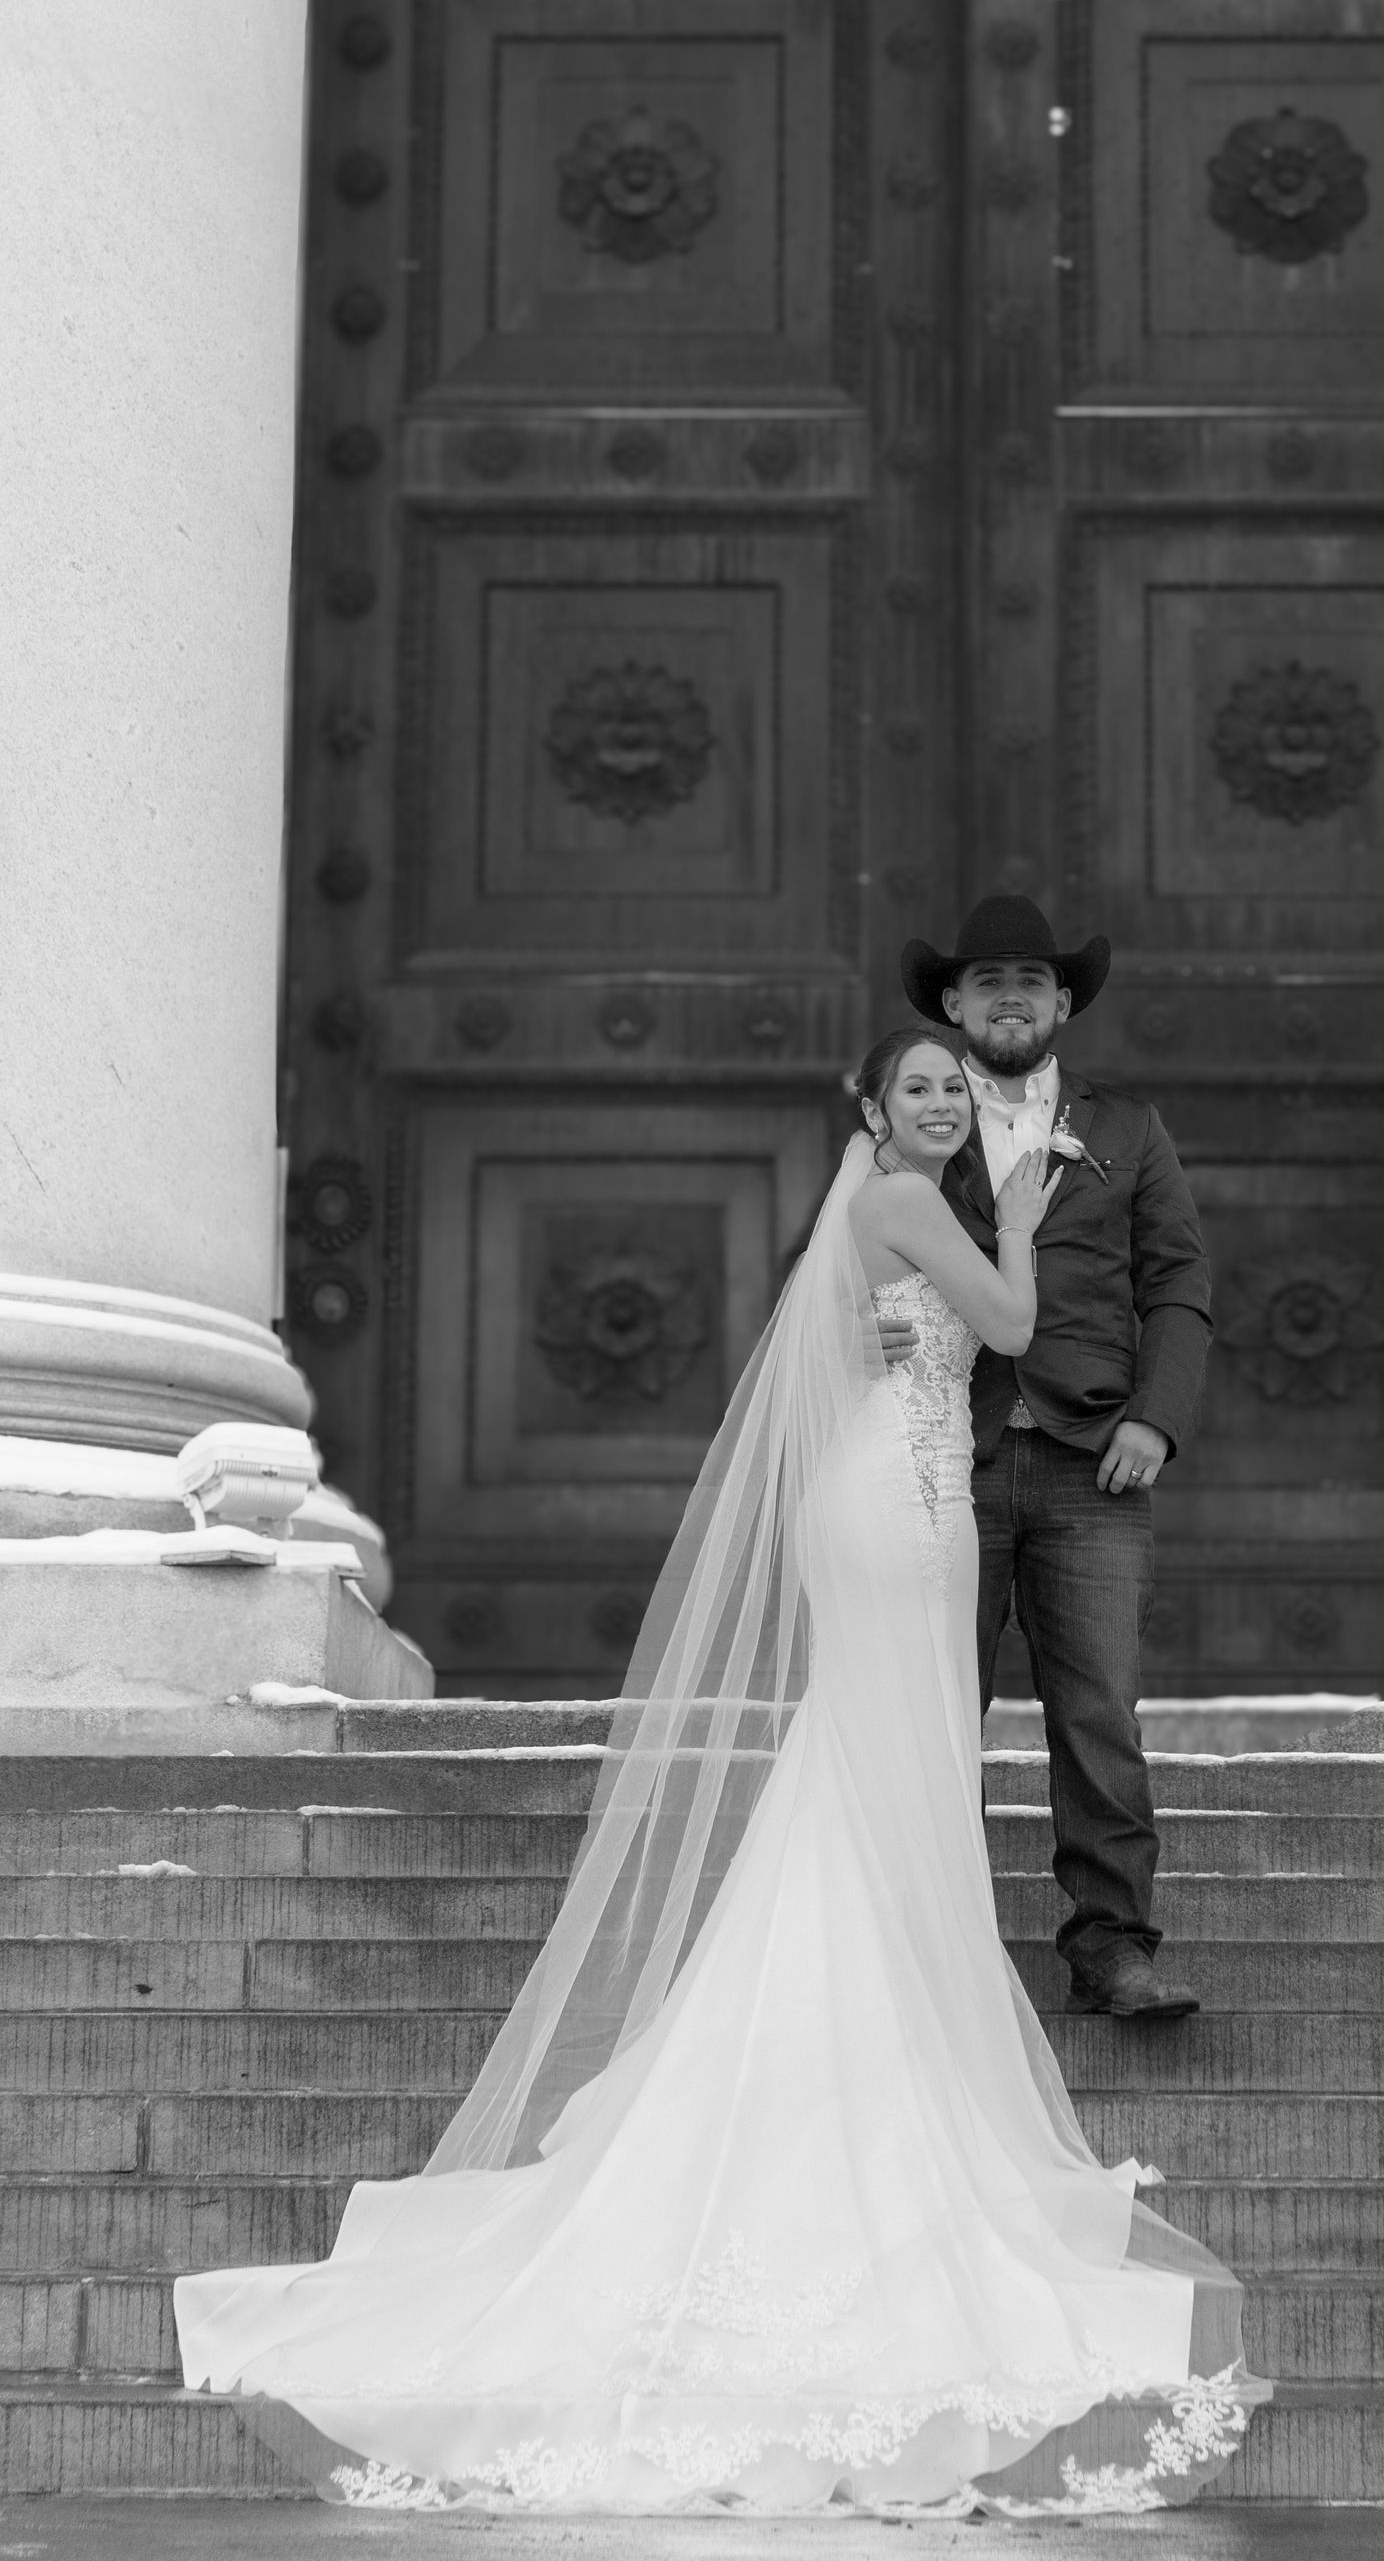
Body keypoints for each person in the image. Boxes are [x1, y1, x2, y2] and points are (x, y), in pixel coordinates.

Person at [171, 1031, 1266, 2515]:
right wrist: (1017, 1209)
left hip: (918, 1491)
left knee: (882, 1780)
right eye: (922, 1087)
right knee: (884, 1773)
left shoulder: (882, 1206)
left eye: (958, 1087)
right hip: (899, 1502)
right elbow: (1011, 1323)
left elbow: (904, 1340)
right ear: (875, 1112)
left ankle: (870, 2017)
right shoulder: (904, 1199)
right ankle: (849, 2048)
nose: (945, 1102)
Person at [899, 897, 1211, 2020]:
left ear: (1064, 1001)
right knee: (934, 1715)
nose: (1012, 997)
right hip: (945, 1462)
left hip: (1096, 1462)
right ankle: (935, 1949)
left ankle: (1112, 1947)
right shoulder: (910, 1124)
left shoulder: (1129, 1127)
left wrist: (1154, 1418)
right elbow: (829, 1261)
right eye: (988, 981)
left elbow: (1178, 1284)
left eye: (1032, 979)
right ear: (952, 1003)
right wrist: (860, 1329)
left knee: (1098, 1716)